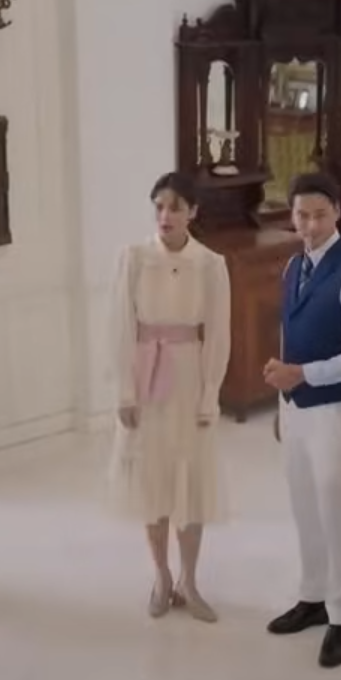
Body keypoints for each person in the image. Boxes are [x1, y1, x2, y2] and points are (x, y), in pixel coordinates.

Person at [263, 172, 341, 668]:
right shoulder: (293, 266)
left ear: (337, 211)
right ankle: (312, 595)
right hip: (296, 408)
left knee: (336, 509)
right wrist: (284, 401)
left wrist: (303, 375)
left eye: (319, 215)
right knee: (304, 507)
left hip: (336, 410)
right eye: (301, 215)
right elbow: (289, 336)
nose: (310, 225)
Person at [109, 172, 232, 622]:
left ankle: (189, 580)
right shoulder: (134, 258)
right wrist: (125, 391)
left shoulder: (210, 264)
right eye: (159, 206)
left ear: (192, 212)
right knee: (153, 481)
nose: (165, 215)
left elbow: (218, 333)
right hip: (147, 380)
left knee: (191, 485)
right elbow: (120, 327)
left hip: (189, 380)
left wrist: (210, 395)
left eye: (176, 207)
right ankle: (161, 576)